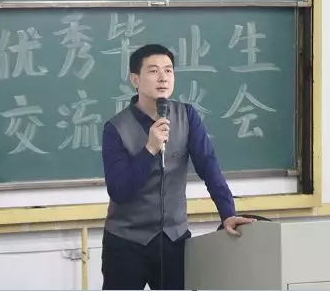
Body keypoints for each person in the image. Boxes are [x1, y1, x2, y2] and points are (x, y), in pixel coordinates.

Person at [101, 43, 255, 290]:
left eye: (169, 70)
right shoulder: (115, 128)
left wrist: (227, 213)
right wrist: (149, 149)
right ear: (135, 79)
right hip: (126, 243)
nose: (163, 77)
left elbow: (208, 166)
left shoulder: (186, 116)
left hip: (174, 239)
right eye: (153, 71)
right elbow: (119, 190)